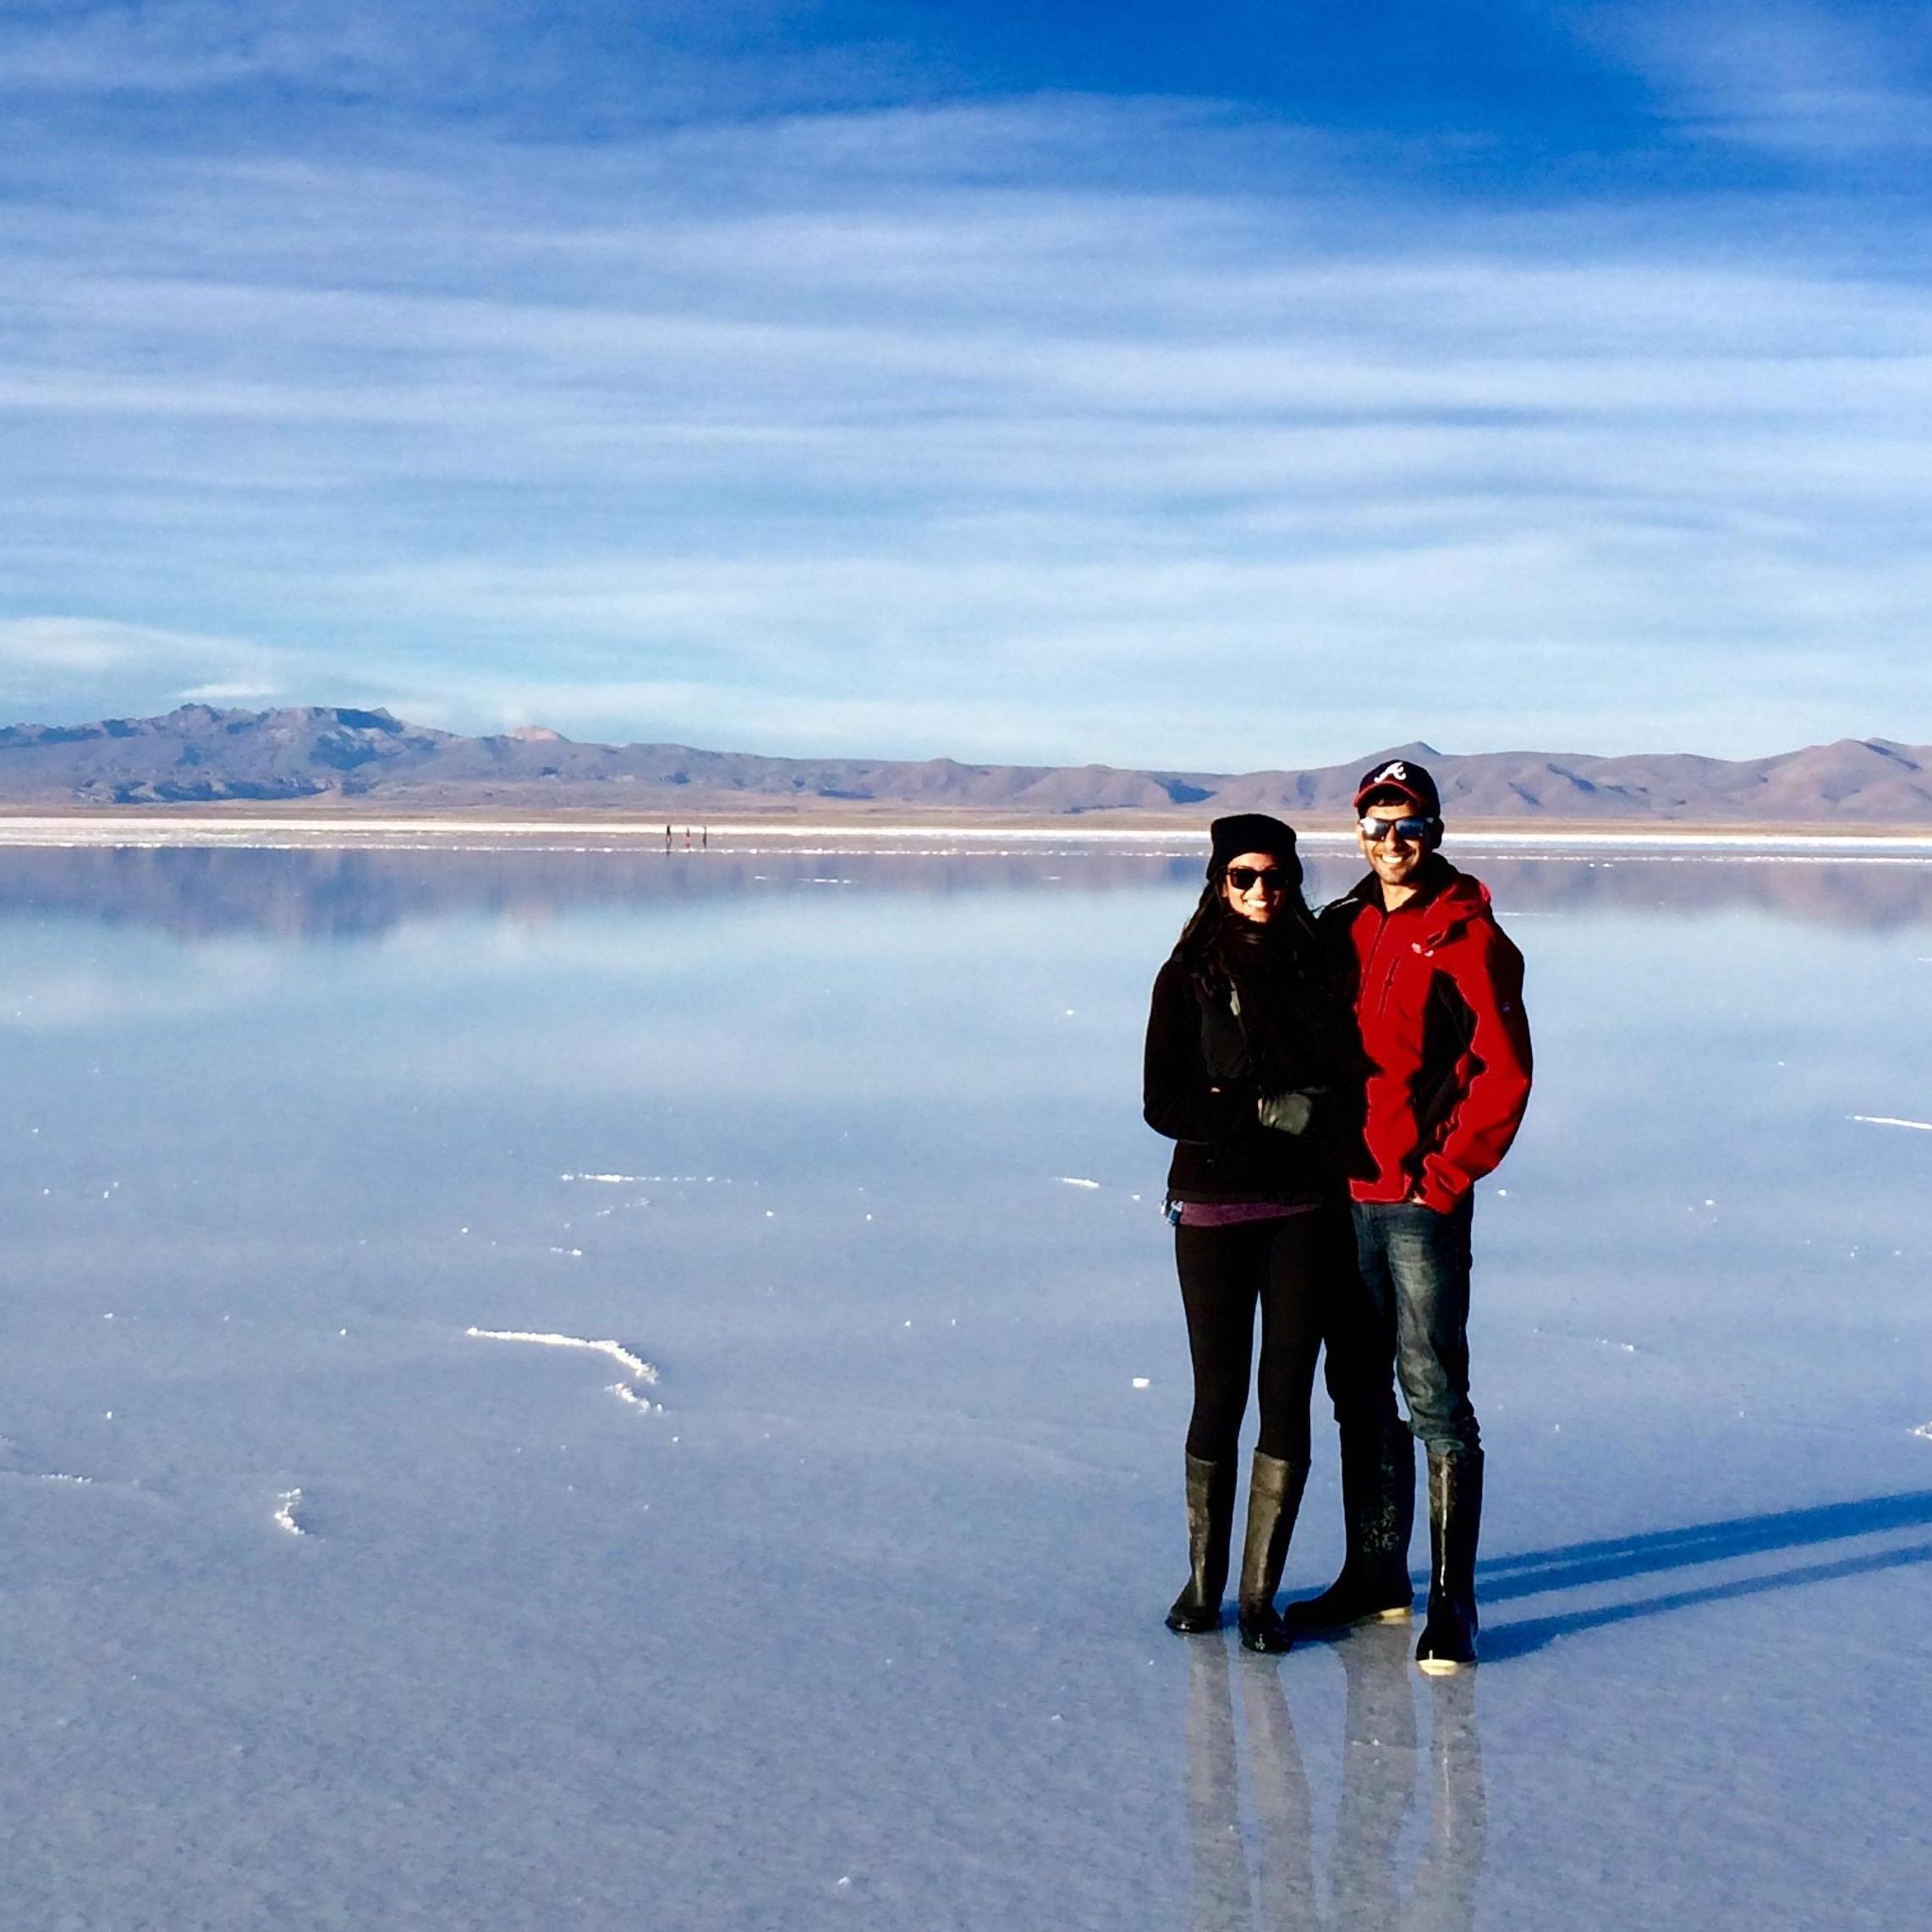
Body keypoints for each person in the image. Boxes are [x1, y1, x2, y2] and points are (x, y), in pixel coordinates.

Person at [1287, 760, 1532, 1672]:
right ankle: (1374, 1573)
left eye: (1410, 826)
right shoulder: (1343, 924)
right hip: (1339, 1197)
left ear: (1435, 832)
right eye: (1377, 826)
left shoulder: (1467, 935)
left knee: (1433, 1395)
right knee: (1357, 1390)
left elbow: (1503, 1073)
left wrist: (1443, 1174)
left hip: (1420, 1201)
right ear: (1357, 832)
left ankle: (1451, 1602)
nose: (1393, 844)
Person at [1143, 813, 1360, 1653]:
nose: (1261, 891)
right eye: (1243, 877)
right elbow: (1164, 1101)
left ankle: (1260, 1598)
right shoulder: (1188, 975)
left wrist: (1323, 1114)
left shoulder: (1317, 967)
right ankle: (1204, 1586)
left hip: (1302, 1211)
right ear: (1217, 882)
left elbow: (1346, 1076)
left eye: (1274, 876)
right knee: (1218, 1392)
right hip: (1212, 1211)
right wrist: (1264, 1107)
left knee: (1286, 1396)